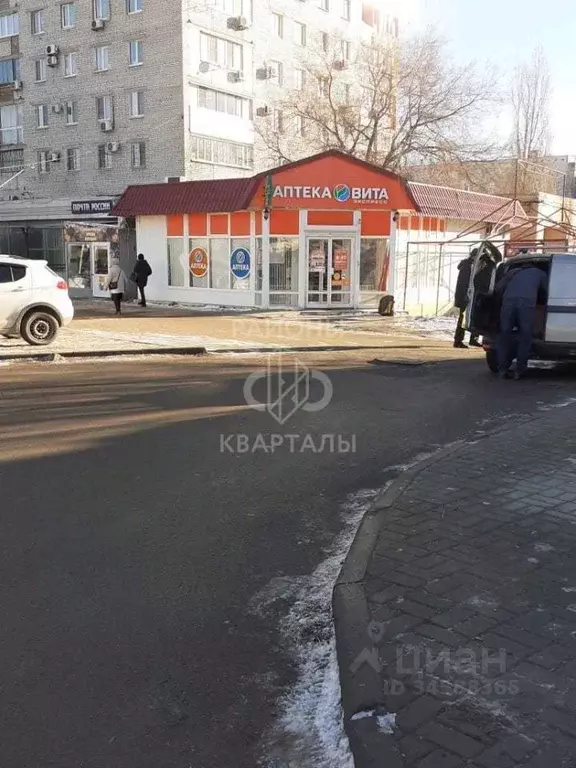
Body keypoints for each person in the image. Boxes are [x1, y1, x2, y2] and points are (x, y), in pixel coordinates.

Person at [495, 263, 548, 380]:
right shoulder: (540, 273)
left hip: (508, 302)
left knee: (504, 335)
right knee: (525, 336)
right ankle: (519, 371)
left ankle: (502, 370)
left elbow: (497, 288)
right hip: (527, 303)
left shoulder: (513, 272)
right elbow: (548, 290)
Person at [453, 252, 481, 349]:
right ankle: (458, 340)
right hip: (465, 297)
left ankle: (470, 339)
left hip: (465, 296)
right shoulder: (467, 267)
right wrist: (466, 296)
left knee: (467, 318)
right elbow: (464, 284)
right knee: (463, 318)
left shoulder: (468, 266)